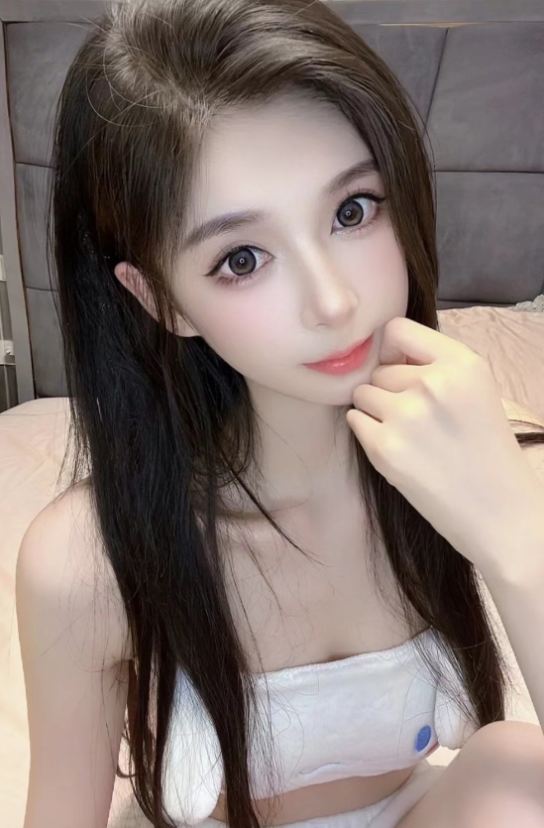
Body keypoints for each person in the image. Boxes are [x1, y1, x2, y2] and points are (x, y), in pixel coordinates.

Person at [15, 1, 544, 827]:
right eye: (242, 258)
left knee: (517, 770)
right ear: (159, 299)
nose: (334, 302)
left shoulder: (477, 465)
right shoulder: (89, 562)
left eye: (352, 211)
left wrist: (516, 538)